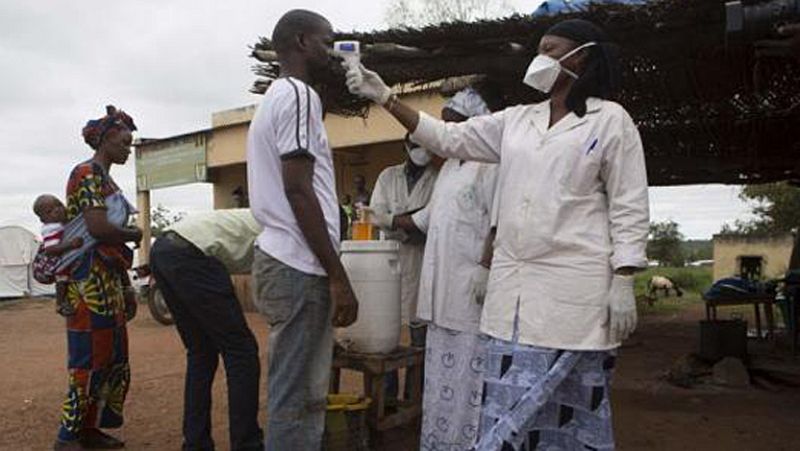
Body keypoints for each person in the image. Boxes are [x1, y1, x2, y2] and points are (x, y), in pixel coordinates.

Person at [346, 18, 649, 451]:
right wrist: (386, 98)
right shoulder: (517, 122)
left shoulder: (611, 122)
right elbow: (448, 137)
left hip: (574, 294)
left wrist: (624, 277)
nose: (539, 58)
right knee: (506, 406)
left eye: (550, 48)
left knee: (569, 414)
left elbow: (629, 203)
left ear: (580, 55)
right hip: (511, 295)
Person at [246, 9, 359, 451]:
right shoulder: (297, 95)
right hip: (298, 264)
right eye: (326, 41)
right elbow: (298, 190)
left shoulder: (280, 97)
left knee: (305, 395)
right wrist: (338, 275)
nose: (332, 51)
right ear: (300, 41)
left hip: (290, 261)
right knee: (296, 399)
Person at [395, 87, 499, 450]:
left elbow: (499, 221)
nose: (447, 131)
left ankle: (469, 444)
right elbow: (430, 217)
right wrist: (393, 219)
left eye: (453, 124)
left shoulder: (490, 164)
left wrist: (485, 265)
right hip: (441, 294)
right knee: (441, 379)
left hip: (469, 290)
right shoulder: (451, 168)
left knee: (471, 382)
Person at [55, 106, 142, 450]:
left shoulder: (108, 180)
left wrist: (126, 288)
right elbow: (97, 228)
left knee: (111, 359)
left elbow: (109, 237)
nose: (128, 148)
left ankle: (89, 430)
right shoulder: (87, 172)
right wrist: (132, 233)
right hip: (87, 280)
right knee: (88, 360)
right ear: (106, 138)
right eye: (125, 141)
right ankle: (67, 437)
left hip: (108, 280)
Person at [149, 209, 263, 451]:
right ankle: (247, 444)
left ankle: (196, 443)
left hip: (163, 248)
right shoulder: (285, 227)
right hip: (193, 254)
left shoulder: (265, 214)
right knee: (241, 351)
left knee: (201, 352)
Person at [367, 134, 439, 400]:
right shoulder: (388, 176)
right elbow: (375, 216)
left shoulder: (438, 178)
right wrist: (408, 223)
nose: (422, 152)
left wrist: (394, 222)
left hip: (423, 262)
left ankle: (414, 398)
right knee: (387, 335)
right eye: (417, 146)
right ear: (406, 146)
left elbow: (431, 224)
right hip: (390, 262)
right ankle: (388, 397)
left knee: (419, 337)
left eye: (427, 146)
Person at [32, 194, 83, 316]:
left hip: (63, 257)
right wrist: (70, 245)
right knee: (62, 277)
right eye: (50, 211)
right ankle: (60, 303)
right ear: (43, 219)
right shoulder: (51, 229)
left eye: (59, 205)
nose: (57, 210)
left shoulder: (64, 223)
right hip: (54, 260)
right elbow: (50, 250)